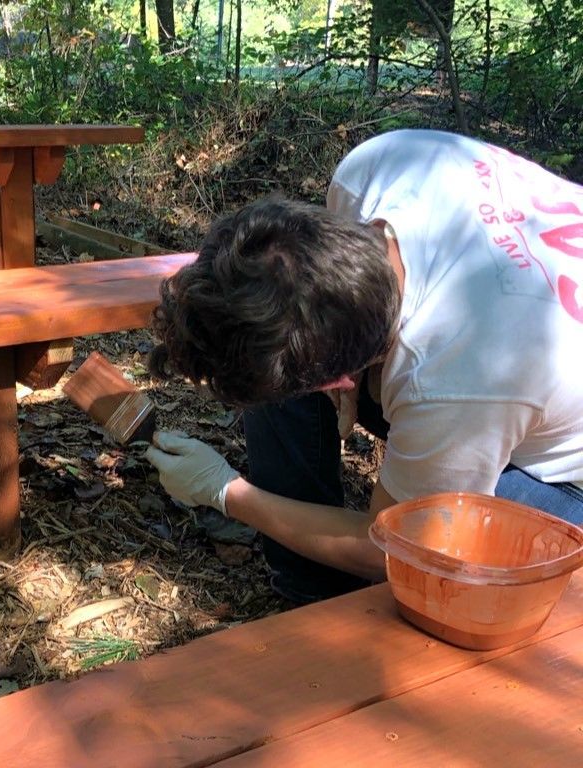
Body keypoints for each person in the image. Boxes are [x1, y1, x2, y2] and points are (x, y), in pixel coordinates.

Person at [144, 128, 583, 604]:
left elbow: (394, 550)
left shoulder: (456, 377)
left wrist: (227, 492)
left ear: (340, 377)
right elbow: (321, 299)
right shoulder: (377, 167)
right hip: (530, 387)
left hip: (567, 479)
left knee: (441, 555)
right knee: (277, 352)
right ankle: (314, 590)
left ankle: (322, 616)